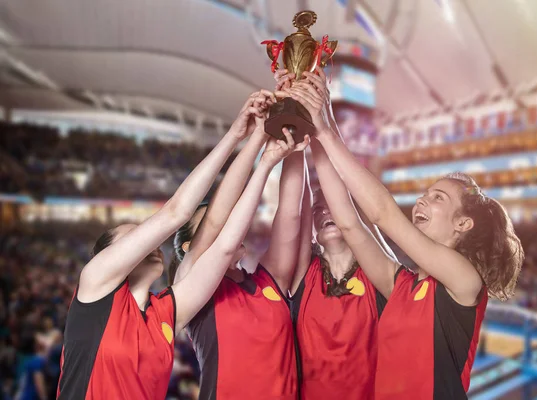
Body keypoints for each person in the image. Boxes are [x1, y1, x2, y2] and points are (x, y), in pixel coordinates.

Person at [287, 73, 524, 399]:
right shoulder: (401, 286)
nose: (423, 200)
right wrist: (316, 128)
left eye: (439, 197)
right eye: (426, 194)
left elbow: (383, 213)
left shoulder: (465, 282)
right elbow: (350, 224)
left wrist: (326, 129)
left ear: (463, 224)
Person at [56, 90, 300, 400]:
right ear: (107, 254)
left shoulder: (166, 311)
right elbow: (178, 212)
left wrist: (262, 158)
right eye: (133, 236)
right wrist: (234, 134)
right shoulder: (95, 286)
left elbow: (223, 241)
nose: (150, 241)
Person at [170, 107, 309, 400]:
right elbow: (219, 222)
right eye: (209, 226)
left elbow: (290, 212)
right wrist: (261, 154)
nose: (226, 224)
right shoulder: (191, 286)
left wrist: (295, 132)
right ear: (187, 248)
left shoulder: (266, 281)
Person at [276, 68, 395, 399]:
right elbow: (291, 208)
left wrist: (322, 121)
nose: (324, 209)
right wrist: (294, 128)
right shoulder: (305, 273)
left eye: (334, 205)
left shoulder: (379, 271)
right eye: (318, 208)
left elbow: (351, 216)